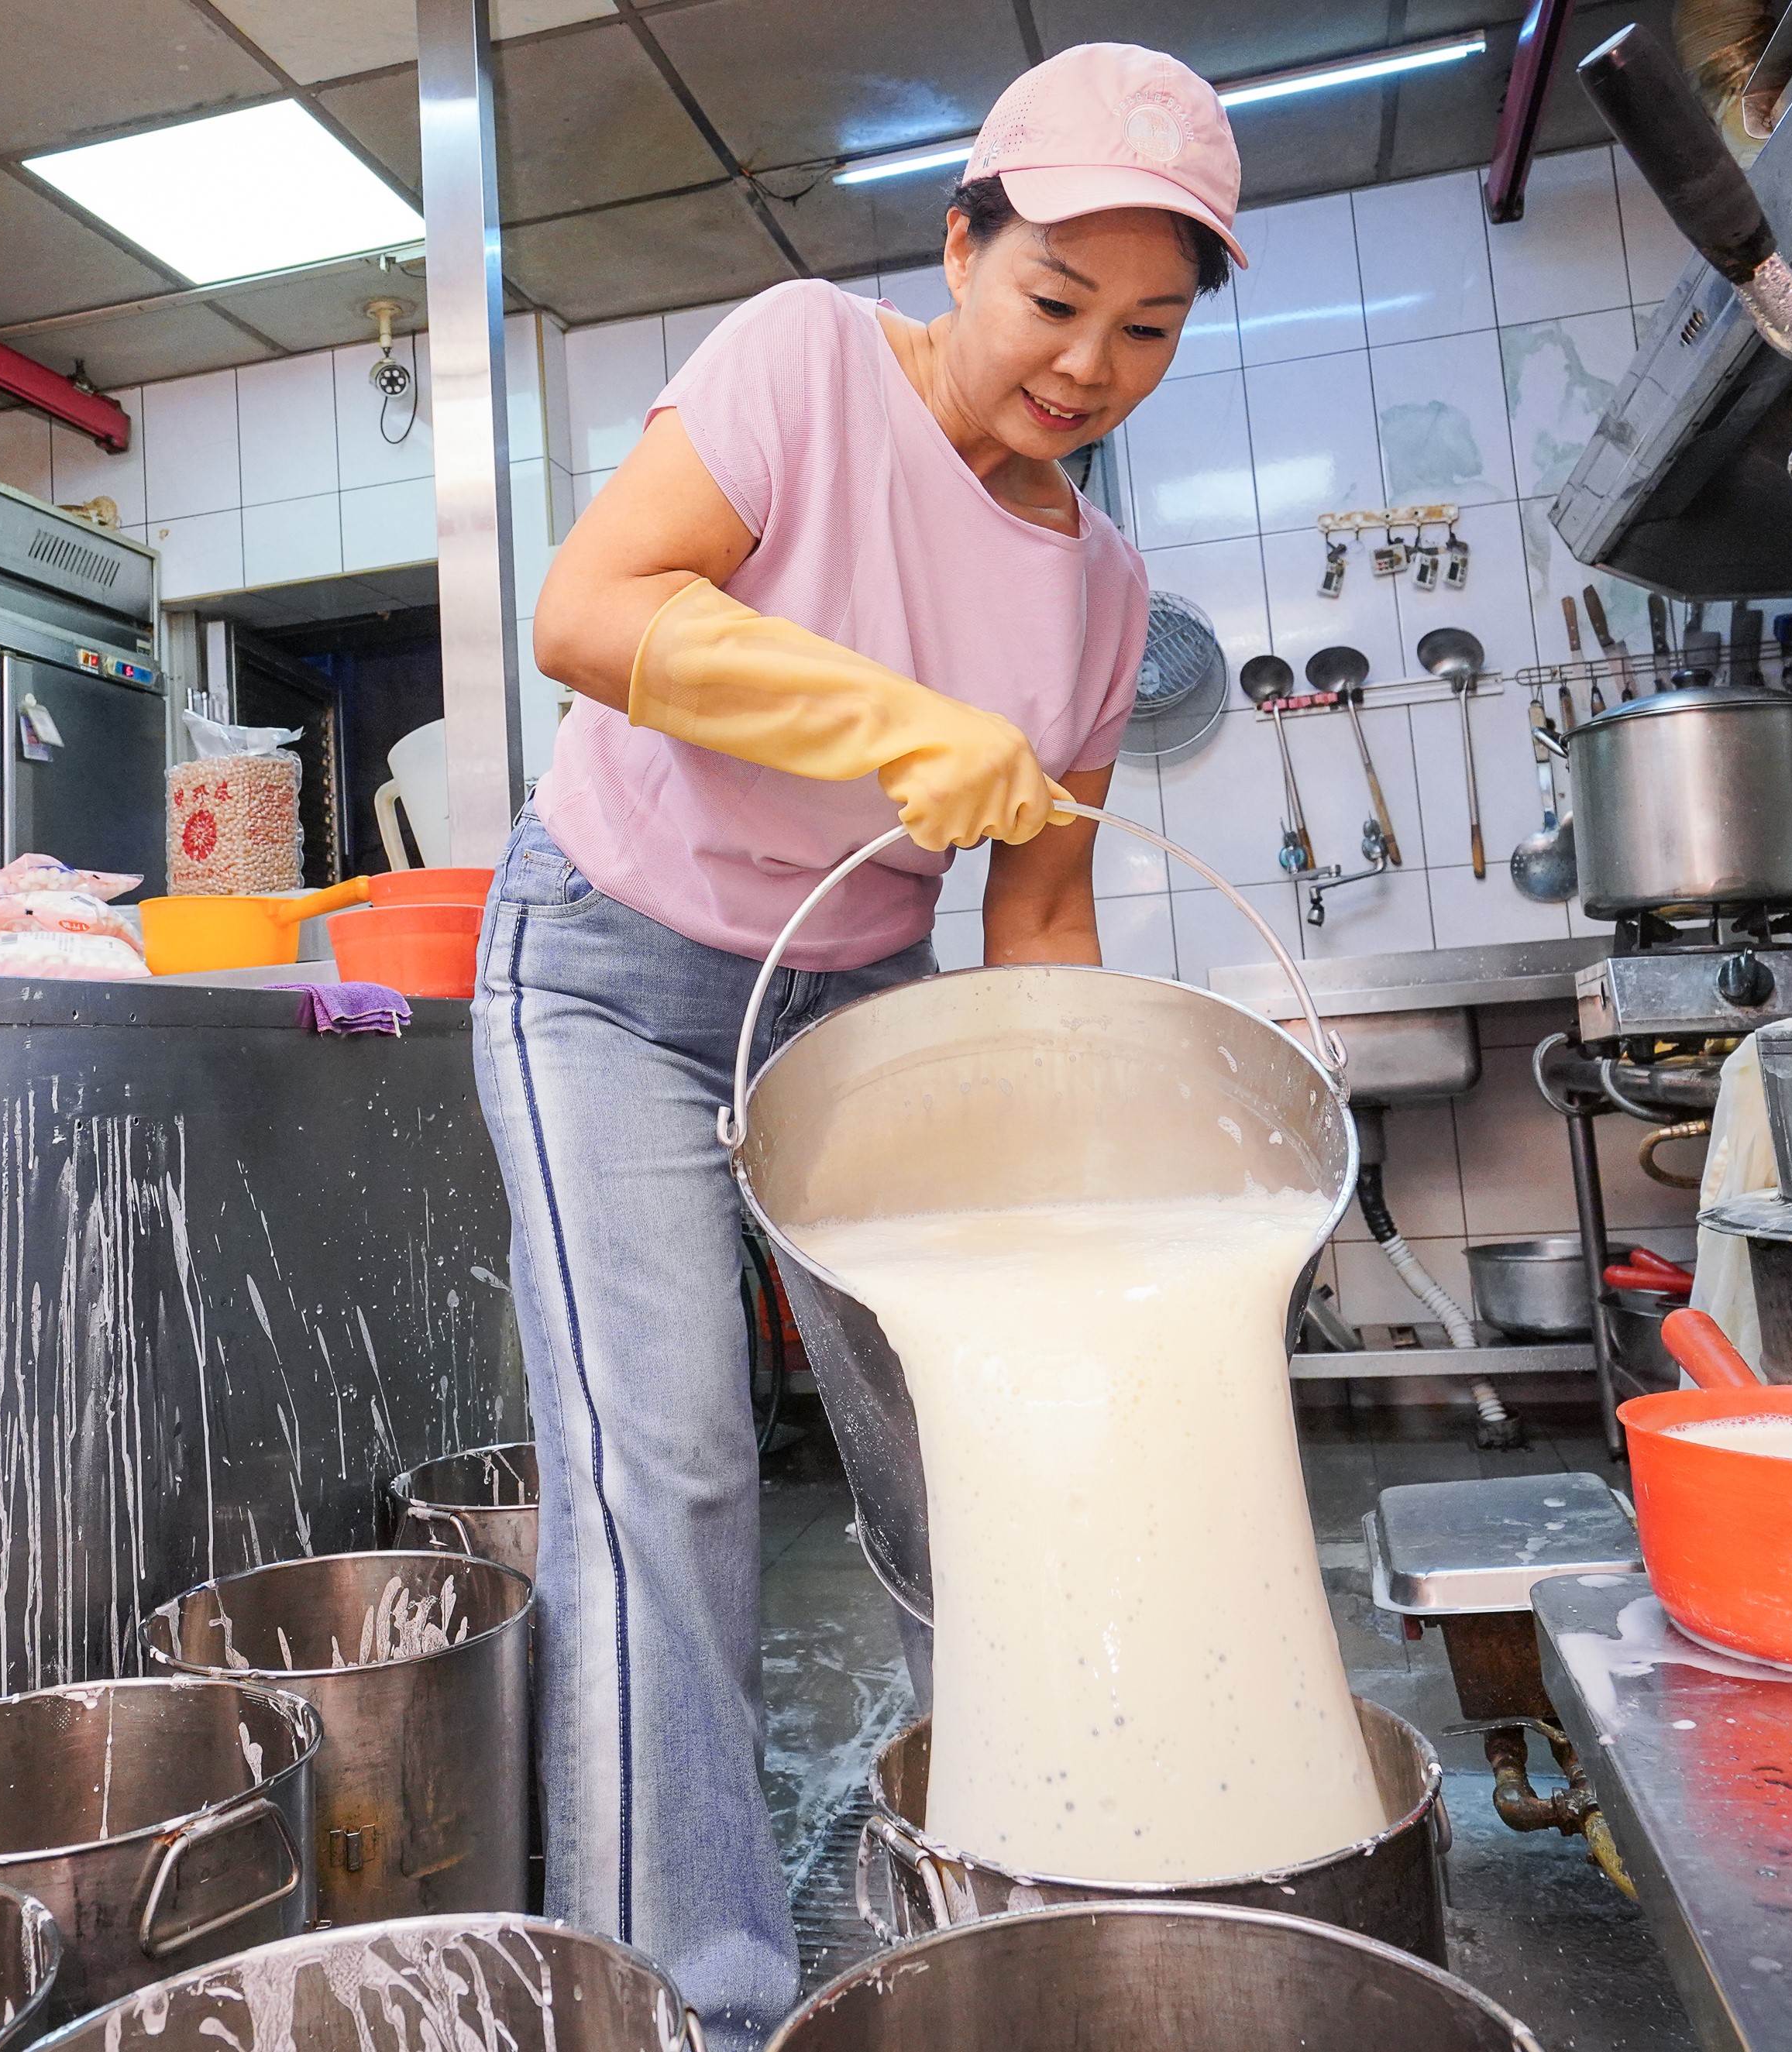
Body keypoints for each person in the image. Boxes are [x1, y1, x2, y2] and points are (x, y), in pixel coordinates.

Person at [471, 43, 1244, 2045]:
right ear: (960, 246)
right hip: (612, 976)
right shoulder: (805, 362)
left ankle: (1010, 1886)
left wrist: (1079, 1189)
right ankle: (689, 2003)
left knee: (966, 1459)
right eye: (1054, 298)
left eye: (1147, 330)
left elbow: (1041, 917)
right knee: (669, 1474)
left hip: (866, 1015)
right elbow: (591, 608)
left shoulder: (1101, 599)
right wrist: (894, 723)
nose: (1087, 365)